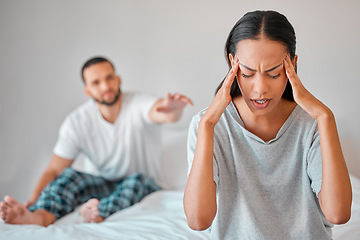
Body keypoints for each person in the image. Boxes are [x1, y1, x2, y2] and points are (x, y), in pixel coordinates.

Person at [183, 10, 352, 239]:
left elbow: (338, 214)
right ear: (233, 63)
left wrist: (325, 117)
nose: (260, 88)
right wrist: (207, 125)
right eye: (248, 73)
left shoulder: (312, 124)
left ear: (292, 63)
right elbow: (197, 220)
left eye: (273, 73)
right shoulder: (208, 125)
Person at [0, 56, 193, 226]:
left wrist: (172, 110)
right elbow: (53, 170)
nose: (105, 86)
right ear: (87, 91)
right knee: (68, 177)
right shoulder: (77, 122)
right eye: (96, 82)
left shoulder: (137, 103)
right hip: (103, 186)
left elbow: (160, 111)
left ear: (118, 79)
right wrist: (32, 202)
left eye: (109, 78)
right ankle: (38, 218)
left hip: (143, 184)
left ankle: (97, 213)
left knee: (136, 180)